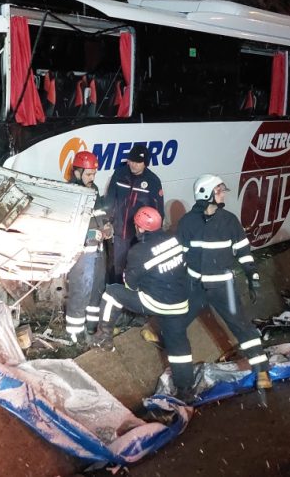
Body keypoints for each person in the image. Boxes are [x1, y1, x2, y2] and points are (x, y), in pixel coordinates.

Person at [176, 174, 272, 391]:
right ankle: (183, 384)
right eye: (219, 190)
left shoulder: (229, 221)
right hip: (195, 287)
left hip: (223, 288)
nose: (223, 193)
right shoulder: (187, 223)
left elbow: (244, 253)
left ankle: (262, 370)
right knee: (175, 324)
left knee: (243, 328)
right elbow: (179, 257)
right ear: (206, 193)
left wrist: (252, 277)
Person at [90, 207, 196, 400]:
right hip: (180, 302)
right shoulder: (174, 239)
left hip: (156, 302)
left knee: (113, 292)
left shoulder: (139, 252)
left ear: (139, 227)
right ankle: (186, 391)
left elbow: (130, 286)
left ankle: (104, 336)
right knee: (179, 346)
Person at [63, 151, 112, 342]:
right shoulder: (71, 193)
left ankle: (91, 326)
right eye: (89, 174)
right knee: (80, 290)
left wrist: (107, 226)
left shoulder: (94, 190)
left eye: (94, 173)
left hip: (98, 250)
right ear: (77, 173)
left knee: (96, 289)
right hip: (82, 253)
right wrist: (89, 235)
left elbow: (100, 214)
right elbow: (68, 226)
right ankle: (75, 333)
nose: (92, 178)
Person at [104, 143, 165, 283]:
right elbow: (110, 200)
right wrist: (107, 221)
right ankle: (117, 295)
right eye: (131, 161)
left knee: (138, 267)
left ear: (145, 163)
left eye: (138, 162)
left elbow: (158, 212)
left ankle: (135, 296)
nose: (134, 165)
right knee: (118, 266)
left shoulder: (153, 181)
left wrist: (152, 236)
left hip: (140, 236)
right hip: (120, 232)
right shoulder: (119, 174)